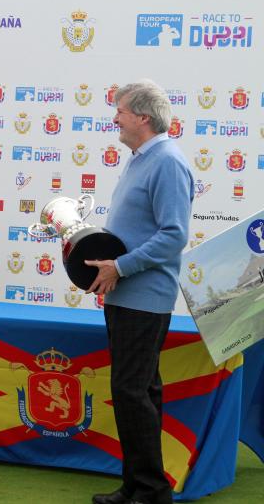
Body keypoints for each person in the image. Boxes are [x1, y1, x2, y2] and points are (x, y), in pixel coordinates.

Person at [85, 81, 194, 504]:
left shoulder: (166, 161)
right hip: (126, 293)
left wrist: (121, 266)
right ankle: (138, 485)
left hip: (143, 295)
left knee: (132, 391)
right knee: (139, 390)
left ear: (142, 118)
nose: (115, 118)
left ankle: (150, 489)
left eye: (121, 111)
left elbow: (173, 236)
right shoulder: (141, 159)